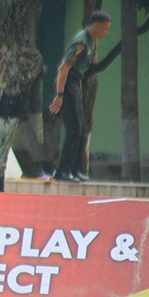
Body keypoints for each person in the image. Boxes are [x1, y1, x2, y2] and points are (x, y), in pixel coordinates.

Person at [49, 10, 113, 181]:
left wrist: (77, 87)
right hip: (67, 84)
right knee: (74, 129)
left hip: (75, 84)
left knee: (81, 130)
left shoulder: (91, 42)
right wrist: (59, 94)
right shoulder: (81, 42)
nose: (106, 33)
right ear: (95, 26)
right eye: (104, 29)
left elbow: (80, 69)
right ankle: (62, 171)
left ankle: (74, 169)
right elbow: (64, 68)